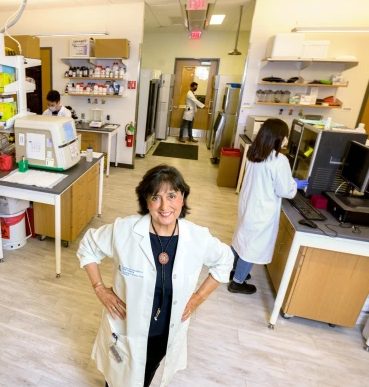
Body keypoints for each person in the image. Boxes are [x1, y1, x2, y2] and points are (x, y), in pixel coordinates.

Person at [77, 165, 233, 387]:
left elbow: (225, 259)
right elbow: (88, 247)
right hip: (126, 328)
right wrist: (99, 288)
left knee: (145, 376)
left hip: (163, 333)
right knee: (117, 376)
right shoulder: (124, 231)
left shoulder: (197, 237)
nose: (164, 206)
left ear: (182, 198)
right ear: (146, 201)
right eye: (156, 197)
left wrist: (198, 298)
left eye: (172, 196)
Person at [229, 118, 307, 294]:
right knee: (252, 246)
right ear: (277, 138)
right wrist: (294, 184)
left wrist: (289, 181)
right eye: (285, 137)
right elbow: (285, 191)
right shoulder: (279, 160)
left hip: (248, 206)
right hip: (261, 211)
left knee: (241, 238)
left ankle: (231, 269)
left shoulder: (254, 153)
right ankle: (237, 282)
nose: (286, 140)